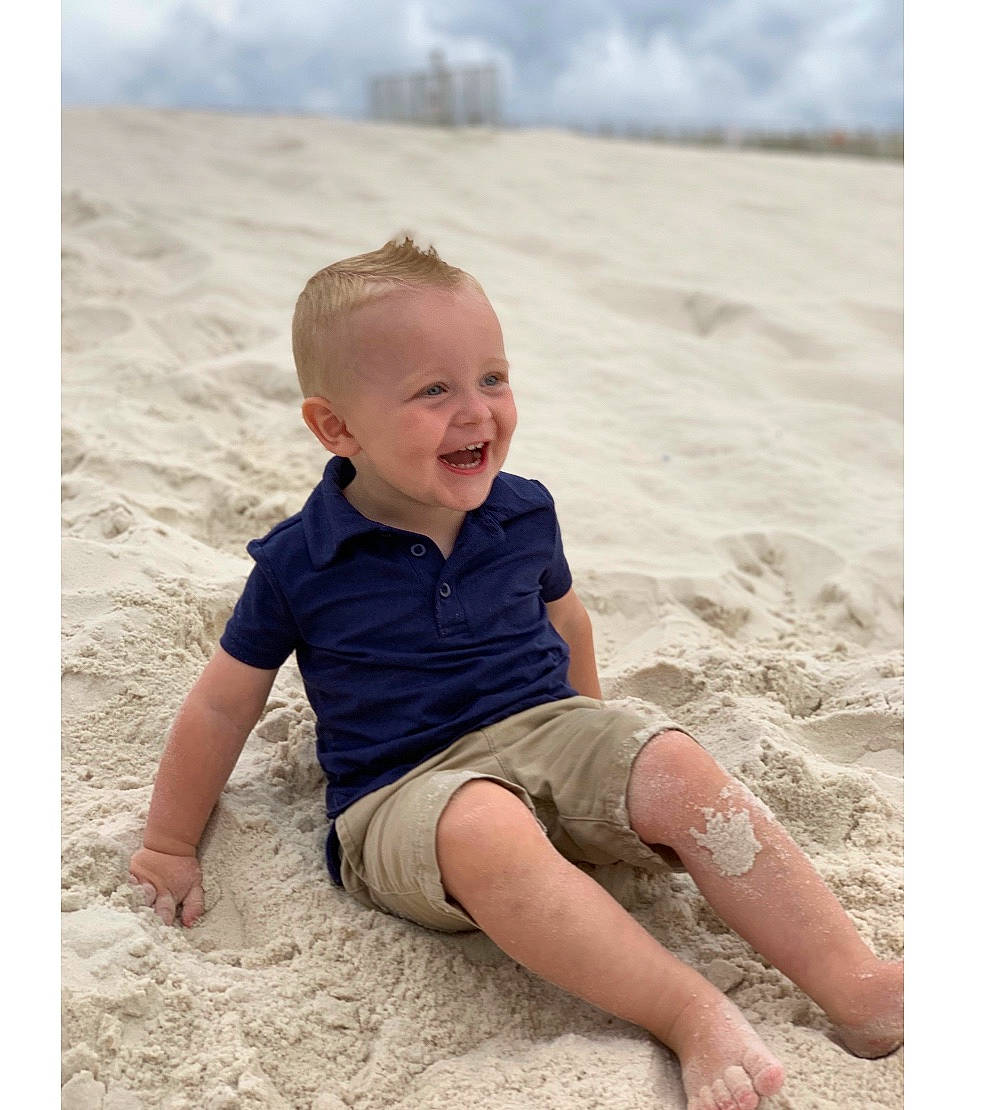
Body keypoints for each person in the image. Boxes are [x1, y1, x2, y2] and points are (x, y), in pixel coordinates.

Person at [129, 235, 902, 1110]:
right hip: (404, 791)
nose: (476, 413)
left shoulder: (523, 511)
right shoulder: (301, 564)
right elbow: (222, 707)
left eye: (491, 379)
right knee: (486, 826)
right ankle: (688, 1013)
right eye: (433, 391)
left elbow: (565, 621)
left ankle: (857, 986)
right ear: (336, 426)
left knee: (676, 763)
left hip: (544, 730)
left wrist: (608, 772)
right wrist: (167, 845)